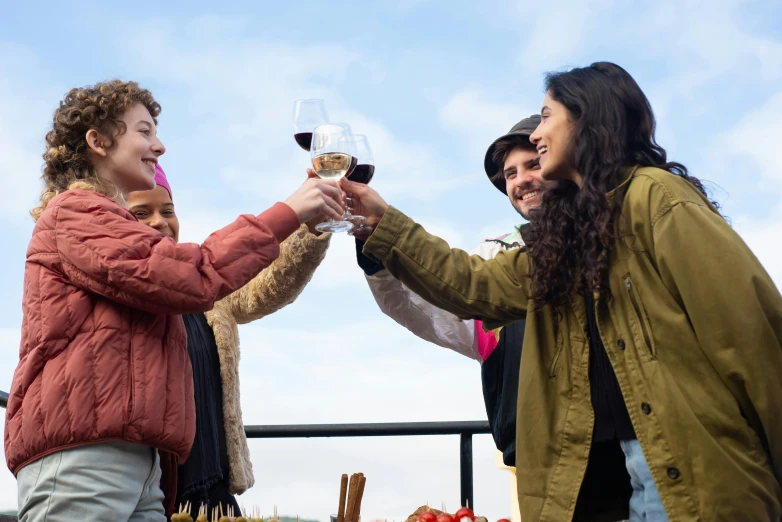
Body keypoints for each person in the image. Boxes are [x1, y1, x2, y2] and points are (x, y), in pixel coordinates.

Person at [342, 62, 782, 521]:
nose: (536, 136)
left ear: (588, 119)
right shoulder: (562, 240)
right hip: (583, 477)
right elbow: (472, 284)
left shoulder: (658, 198)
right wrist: (382, 221)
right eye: (509, 173)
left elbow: (750, 339)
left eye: (546, 116)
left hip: (683, 468)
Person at [6, 80, 343, 521]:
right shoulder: (76, 212)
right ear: (97, 141)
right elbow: (191, 274)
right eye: (144, 131)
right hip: (87, 460)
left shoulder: (103, 227)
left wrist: (309, 221)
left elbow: (233, 281)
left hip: (144, 465)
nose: (159, 146)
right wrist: (288, 210)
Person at [126, 165, 331, 516]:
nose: (159, 221)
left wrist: (310, 229)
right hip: (152, 494)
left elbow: (269, 286)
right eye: (140, 213)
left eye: (168, 211)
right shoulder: (119, 289)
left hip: (215, 493)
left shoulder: (208, 290)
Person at [354, 115, 553, 468]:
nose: (521, 180)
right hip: (531, 458)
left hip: (619, 449)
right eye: (510, 173)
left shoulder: (613, 237)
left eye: (533, 164)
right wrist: (375, 255)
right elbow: (424, 309)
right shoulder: (495, 253)